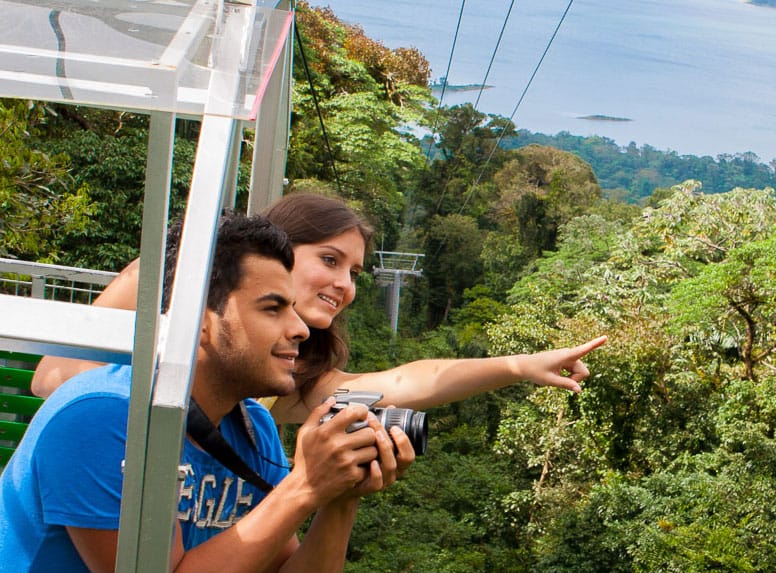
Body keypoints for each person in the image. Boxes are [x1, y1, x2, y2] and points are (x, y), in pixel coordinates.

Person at [0, 213, 414, 573]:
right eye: (272, 308)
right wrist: (303, 485)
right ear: (199, 320)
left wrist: (339, 497)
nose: (299, 328)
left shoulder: (251, 429)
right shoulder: (103, 418)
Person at [31, 193, 607, 422]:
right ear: (279, 246)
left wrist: (516, 367)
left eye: (353, 273)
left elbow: (407, 380)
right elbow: (50, 378)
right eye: (330, 261)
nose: (345, 285)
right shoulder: (164, 279)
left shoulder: (284, 366)